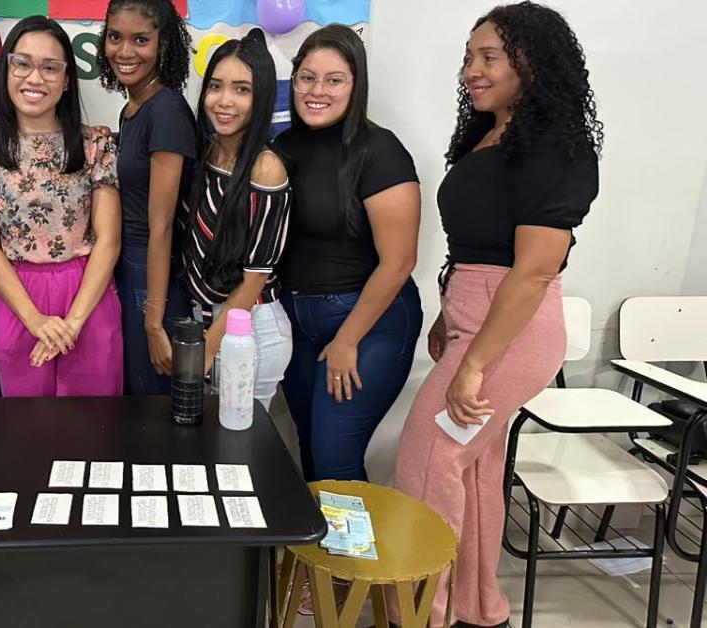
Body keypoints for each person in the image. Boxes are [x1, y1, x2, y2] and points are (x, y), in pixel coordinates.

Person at [393, 3, 602, 626]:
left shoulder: (553, 149)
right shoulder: (490, 135)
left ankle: (418, 613)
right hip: (475, 316)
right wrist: (448, 314)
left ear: (532, 65)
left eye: (489, 57)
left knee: (428, 458)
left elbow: (535, 270)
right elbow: (477, 243)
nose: (471, 71)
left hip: (510, 329)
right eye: (468, 57)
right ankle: (477, 607)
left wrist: (474, 363)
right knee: (476, 467)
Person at [273, 25, 423, 482]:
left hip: (366, 323)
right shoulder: (282, 148)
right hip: (297, 323)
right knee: (310, 451)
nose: (318, 91)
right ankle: (319, 555)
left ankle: (356, 555)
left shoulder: (380, 151)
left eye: (334, 79)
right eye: (307, 77)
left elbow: (399, 262)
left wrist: (347, 340)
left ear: (355, 85)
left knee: (336, 459)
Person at [0, 16, 123, 397]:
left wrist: (72, 323)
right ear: (7, 69)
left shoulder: (96, 146)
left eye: (50, 68)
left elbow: (108, 241)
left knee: (94, 427)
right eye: (22, 64)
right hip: (18, 298)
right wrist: (37, 321)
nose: (34, 78)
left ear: (65, 80)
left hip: (88, 295)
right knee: (27, 431)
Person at [183, 29, 293, 410]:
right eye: (216, 86)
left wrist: (207, 349)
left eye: (242, 90)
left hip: (250, 329)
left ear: (261, 98)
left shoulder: (266, 169)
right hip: (209, 321)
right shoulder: (208, 150)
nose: (224, 101)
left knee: (237, 452)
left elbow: (254, 280)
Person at [95, 0, 196, 394]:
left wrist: (154, 322)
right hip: (127, 264)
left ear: (163, 44)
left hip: (149, 273)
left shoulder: (166, 110)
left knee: (151, 403)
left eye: (141, 39)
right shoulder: (134, 106)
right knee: (134, 397)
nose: (124, 51)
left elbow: (163, 226)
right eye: (115, 37)